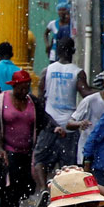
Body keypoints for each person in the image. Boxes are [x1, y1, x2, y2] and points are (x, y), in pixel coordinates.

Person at [0, 69, 51, 207]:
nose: (24, 91)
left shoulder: (32, 102)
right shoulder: (1, 100)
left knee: (21, 186)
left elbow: (44, 118)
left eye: (27, 87)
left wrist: (57, 128)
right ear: (14, 86)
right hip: (8, 151)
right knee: (9, 187)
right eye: (21, 88)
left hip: (26, 152)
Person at [36, 38, 89, 172]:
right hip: (69, 126)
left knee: (41, 161)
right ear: (73, 51)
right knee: (69, 166)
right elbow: (85, 93)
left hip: (50, 125)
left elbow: (40, 100)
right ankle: (64, 191)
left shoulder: (46, 71)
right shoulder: (77, 72)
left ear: (57, 51)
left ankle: (43, 189)